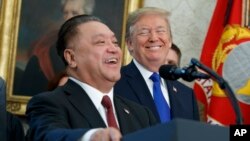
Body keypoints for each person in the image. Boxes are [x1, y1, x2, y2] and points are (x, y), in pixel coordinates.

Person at [26, 15, 157, 141]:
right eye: (101, 42)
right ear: (71, 58)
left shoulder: (142, 114)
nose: (114, 49)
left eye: (115, 42)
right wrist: (92, 137)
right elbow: (48, 136)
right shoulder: (48, 103)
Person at [114, 7, 200, 123]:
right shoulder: (114, 83)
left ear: (169, 41)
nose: (154, 38)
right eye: (144, 32)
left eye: (160, 31)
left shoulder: (186, 95)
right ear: (129, 44)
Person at [18, 0, 95, 96]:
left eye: (74, 13)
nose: (68, 18)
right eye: (66, 13)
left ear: (87, 18)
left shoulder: (96, 50)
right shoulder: (45, 50)